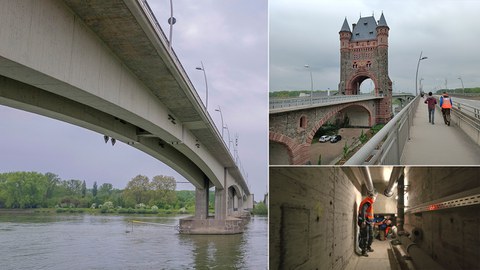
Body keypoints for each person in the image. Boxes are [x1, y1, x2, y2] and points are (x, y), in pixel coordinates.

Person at [358, 191, 377, 257]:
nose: (375, 199)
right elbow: (363, 211)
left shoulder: (369, 202)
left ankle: (368, 247)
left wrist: (372, 221)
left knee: (371, 235)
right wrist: (363, 221)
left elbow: (369, 214)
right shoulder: (367, 202)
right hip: (365, 222)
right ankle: (364, 251)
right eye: (375, 197)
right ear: (371, 197)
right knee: (365, 237)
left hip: (369, 222)